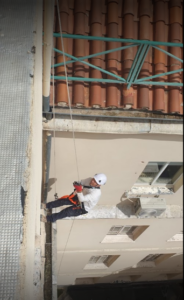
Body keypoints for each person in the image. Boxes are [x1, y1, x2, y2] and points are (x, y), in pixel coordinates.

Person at [40, 173, 107, 223]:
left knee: (66, 212)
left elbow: (82, 199)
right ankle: (46, 205)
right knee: (63, 201)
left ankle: (46, 219)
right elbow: (80, 182)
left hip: (83, 207)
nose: (92, 181)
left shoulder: (96, 193)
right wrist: (76, 185)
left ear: (99, 185)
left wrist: (79, 190)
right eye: (93, 179)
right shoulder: (89, 179)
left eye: (95, 182)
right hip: (79, 196)